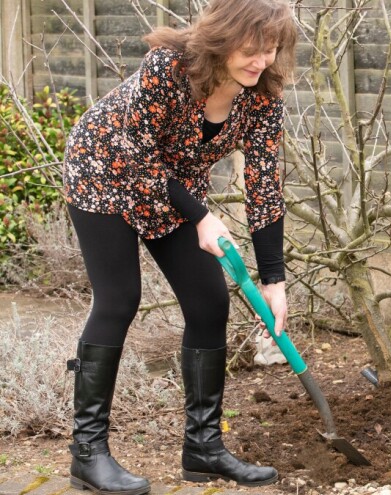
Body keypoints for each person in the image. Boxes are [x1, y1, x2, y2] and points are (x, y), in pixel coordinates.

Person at [61, 0, 297, 493]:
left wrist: (274, 281)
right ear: (223, 40)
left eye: (271, 51)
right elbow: (139, 152)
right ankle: (87, 454)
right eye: (251, 51)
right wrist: (202, 217)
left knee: (209, 302)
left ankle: (204, 449)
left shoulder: (263, 98)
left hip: (173, 189)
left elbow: (265, 188)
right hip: (105, 171)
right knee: (119, 299)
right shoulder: (169, 69)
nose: (261, 62)